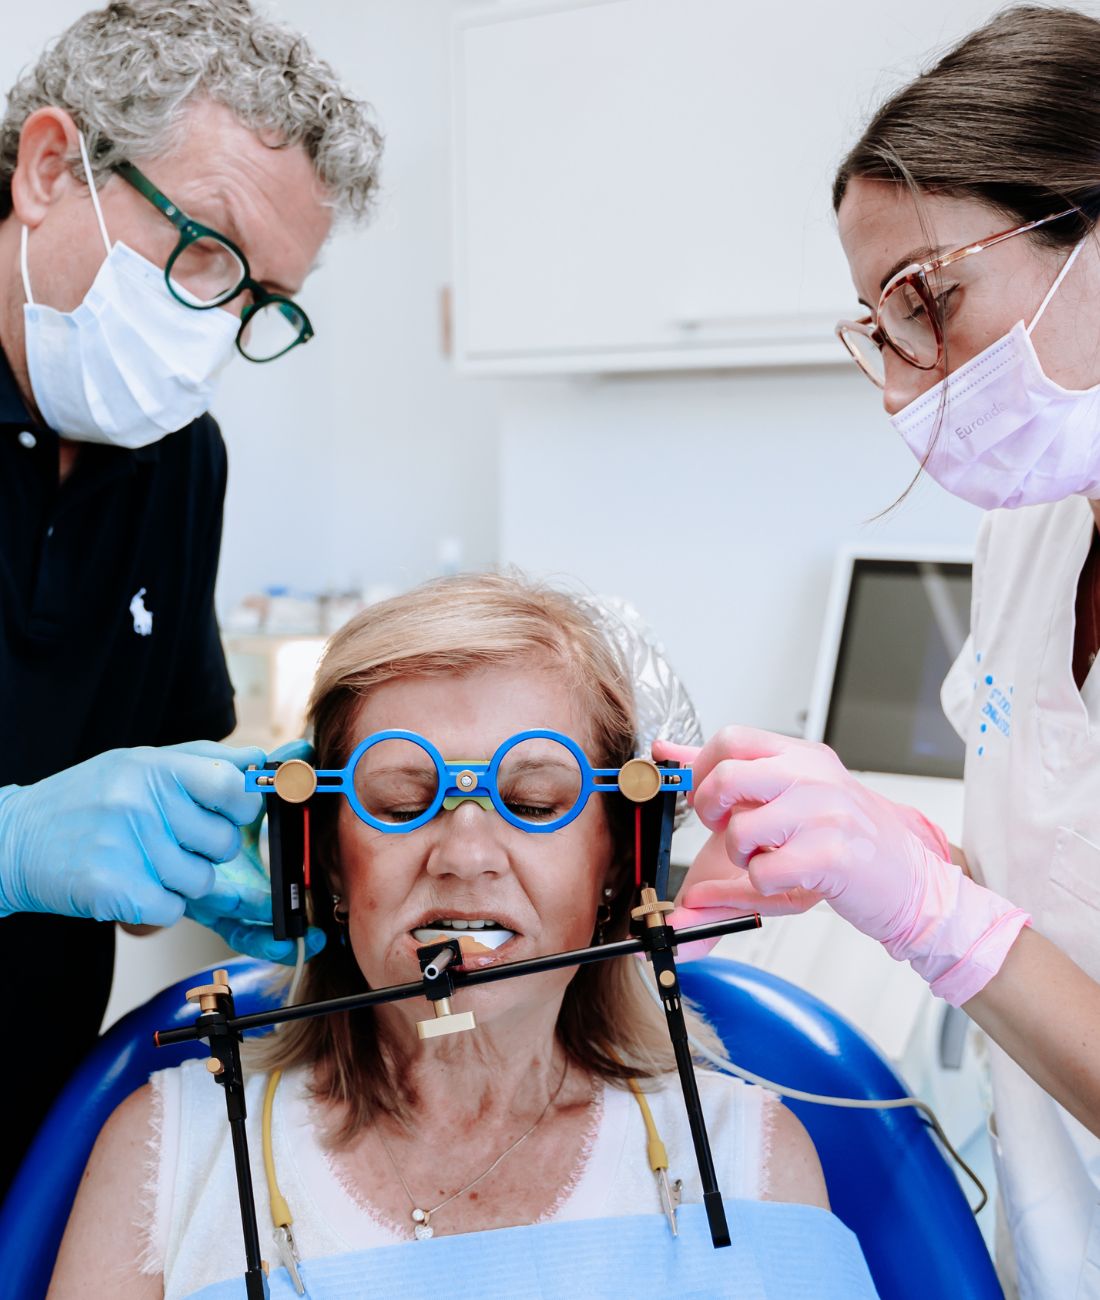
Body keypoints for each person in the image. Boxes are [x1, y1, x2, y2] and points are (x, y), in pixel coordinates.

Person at [47, 574, 881, 1299]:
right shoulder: (169, 1153)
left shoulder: (747, 1158)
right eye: (404, 803)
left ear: (621, 861)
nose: (467, 855)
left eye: (538, 801)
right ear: (326, 860)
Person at [659, 7, 1100, 1298]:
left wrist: (931, 916)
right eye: (880, 326)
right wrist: (877, 850)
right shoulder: (1031, 538)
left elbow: (987, 932)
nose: (906, 386)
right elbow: (1053, 881)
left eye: (930, 299)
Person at [0, 0, 381, 1194]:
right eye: (203, 251)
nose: (215, 330)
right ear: (51, 167)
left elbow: (165, 758)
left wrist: (248, 860)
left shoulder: (175, 456)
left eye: (260, 299)